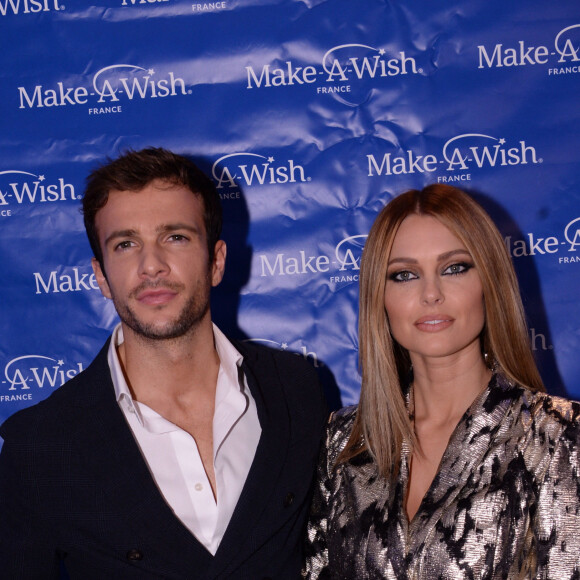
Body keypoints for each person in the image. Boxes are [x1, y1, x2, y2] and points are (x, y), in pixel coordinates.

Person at [0, 147, 327, 579]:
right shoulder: (41, 445)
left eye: (175, 237)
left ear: (216, 261)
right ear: (100, 276)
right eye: (125, 244)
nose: (150, 265)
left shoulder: (295, 390)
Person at [303, 184, 580, 579]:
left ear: (490, 280)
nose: (431, 293)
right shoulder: (344, 442)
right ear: (379, 296)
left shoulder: (557, 436)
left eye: (454, 268)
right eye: (404, 275)